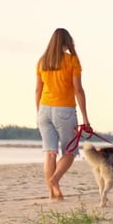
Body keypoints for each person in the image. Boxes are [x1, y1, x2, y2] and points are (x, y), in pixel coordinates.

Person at [36, 28, 91, 201]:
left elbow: (38, 90)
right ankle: (55, 180)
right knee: (70, 151)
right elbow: (78, 90)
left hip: (44, 110)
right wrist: (86, 119)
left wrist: (39, 113)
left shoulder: (42, 62)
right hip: (64, 111)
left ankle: (52, 194)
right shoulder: (72, 61)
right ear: (67, 41)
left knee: (50, 153)